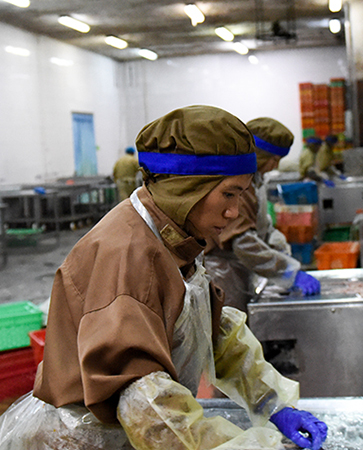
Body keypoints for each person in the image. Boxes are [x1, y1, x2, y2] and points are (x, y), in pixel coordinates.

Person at [0, 105, 327, 450]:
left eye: (241, 194)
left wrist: (272, 403)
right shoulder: (127, 257)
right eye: (228, 194)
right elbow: (149, 407)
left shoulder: (175, 235)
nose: (234, 212)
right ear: (188, 188)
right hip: (86, 440)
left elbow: (211, 329)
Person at [206, 117, 321, 312]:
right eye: (274, 160)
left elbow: (261, 224)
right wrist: (288, 272)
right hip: (223, 271)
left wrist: (278, 244)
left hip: (241, 267)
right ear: (258, 155)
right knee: (230, 324)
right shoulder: (237, 184)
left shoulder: (256, 180)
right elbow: (242, 242)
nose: (275, 166)